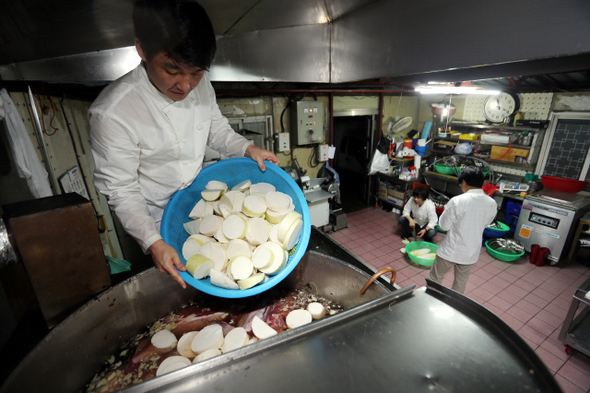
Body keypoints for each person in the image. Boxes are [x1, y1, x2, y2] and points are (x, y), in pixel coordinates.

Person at [88, 0, 279, 289]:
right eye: (172, 69)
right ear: (141, 50)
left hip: (202, 203)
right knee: (178, 292)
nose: (186, 85)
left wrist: (247, 148)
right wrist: (154, 243)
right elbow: (121, 189)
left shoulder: (200, 85)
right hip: (155, 221)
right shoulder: (113, 113)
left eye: (197, 72)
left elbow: (216, 129)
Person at [427, 167, 497, 294]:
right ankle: (454, 307)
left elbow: (443, 225)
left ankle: (430, 300)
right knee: (459, 285)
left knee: (434, 279)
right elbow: (486, 224)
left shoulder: (457, 201)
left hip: (450, 250)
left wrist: (446, 209)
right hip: (470, 253)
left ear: (464, 182)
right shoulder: (492, 203)